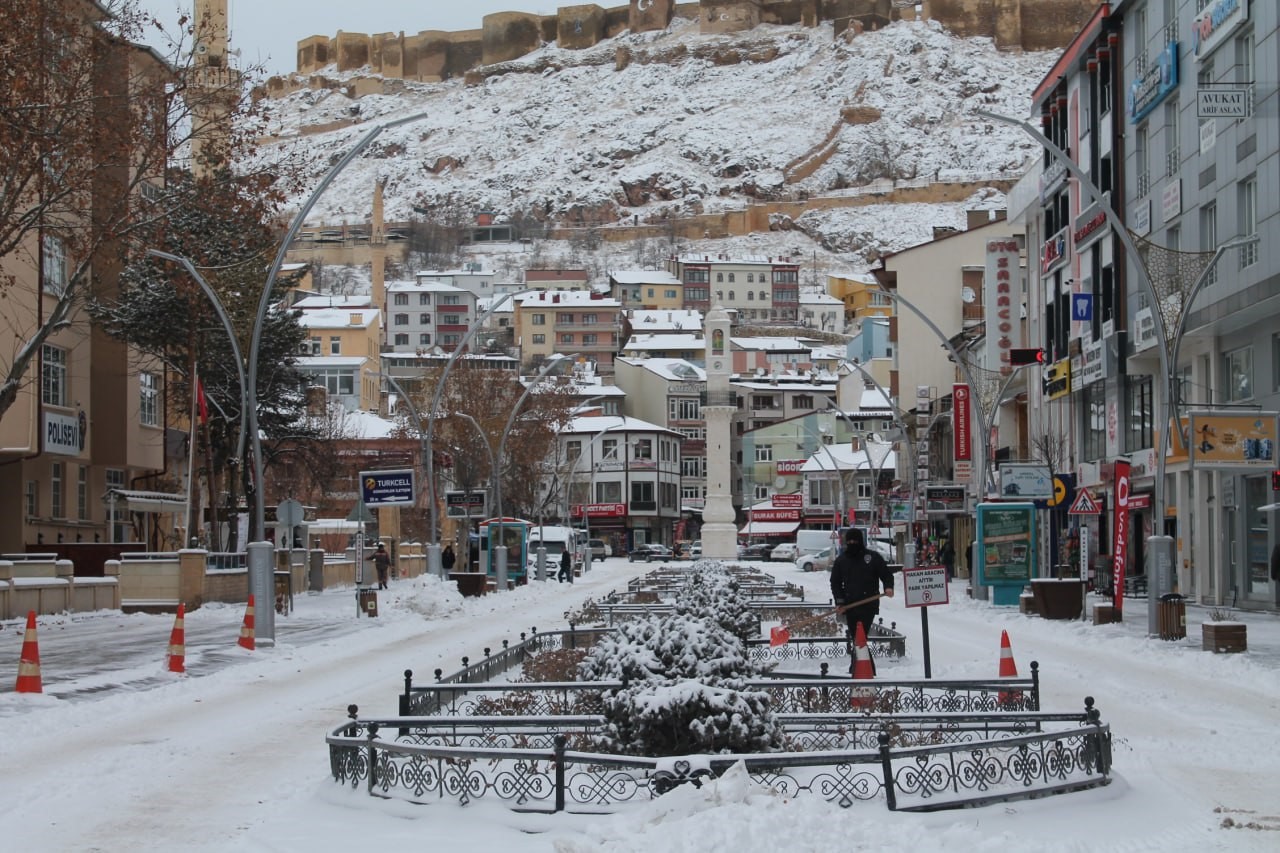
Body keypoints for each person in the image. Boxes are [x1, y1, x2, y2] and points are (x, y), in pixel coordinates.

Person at [830, 528, 895, 675]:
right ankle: (863, 668)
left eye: (855, 541)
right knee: (858, 637)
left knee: (860, 636)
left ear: (861, 541)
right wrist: (840, 602)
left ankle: (860, 668)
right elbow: (835, 583)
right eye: (850, 541)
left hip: (868, 605)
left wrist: (888, 587)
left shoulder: (872, 557)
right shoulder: (842, 560)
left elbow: (886, 574)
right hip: (850, 605)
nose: (852, 543)